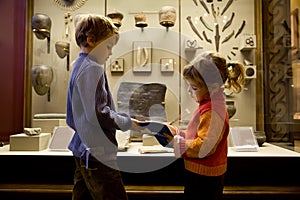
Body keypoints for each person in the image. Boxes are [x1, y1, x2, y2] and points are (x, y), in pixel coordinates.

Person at [66, 14, 141, 200]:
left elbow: (72, 117)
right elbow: (98, 114)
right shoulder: (93, 67)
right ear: (91, 40)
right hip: (98, 153)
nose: (110, 53)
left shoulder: (77, 65)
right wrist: (128, 122)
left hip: (82, 150)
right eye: (108, 46)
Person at [168, 51, 245, 200]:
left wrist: (176, 143)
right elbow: (198, 135)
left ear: (213, 87)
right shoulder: (209, 104)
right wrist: (177, 133)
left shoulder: (212, 110)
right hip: (203, 174)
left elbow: (204, 146)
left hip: (204, 177)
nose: (190, 91)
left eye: (195, 88)